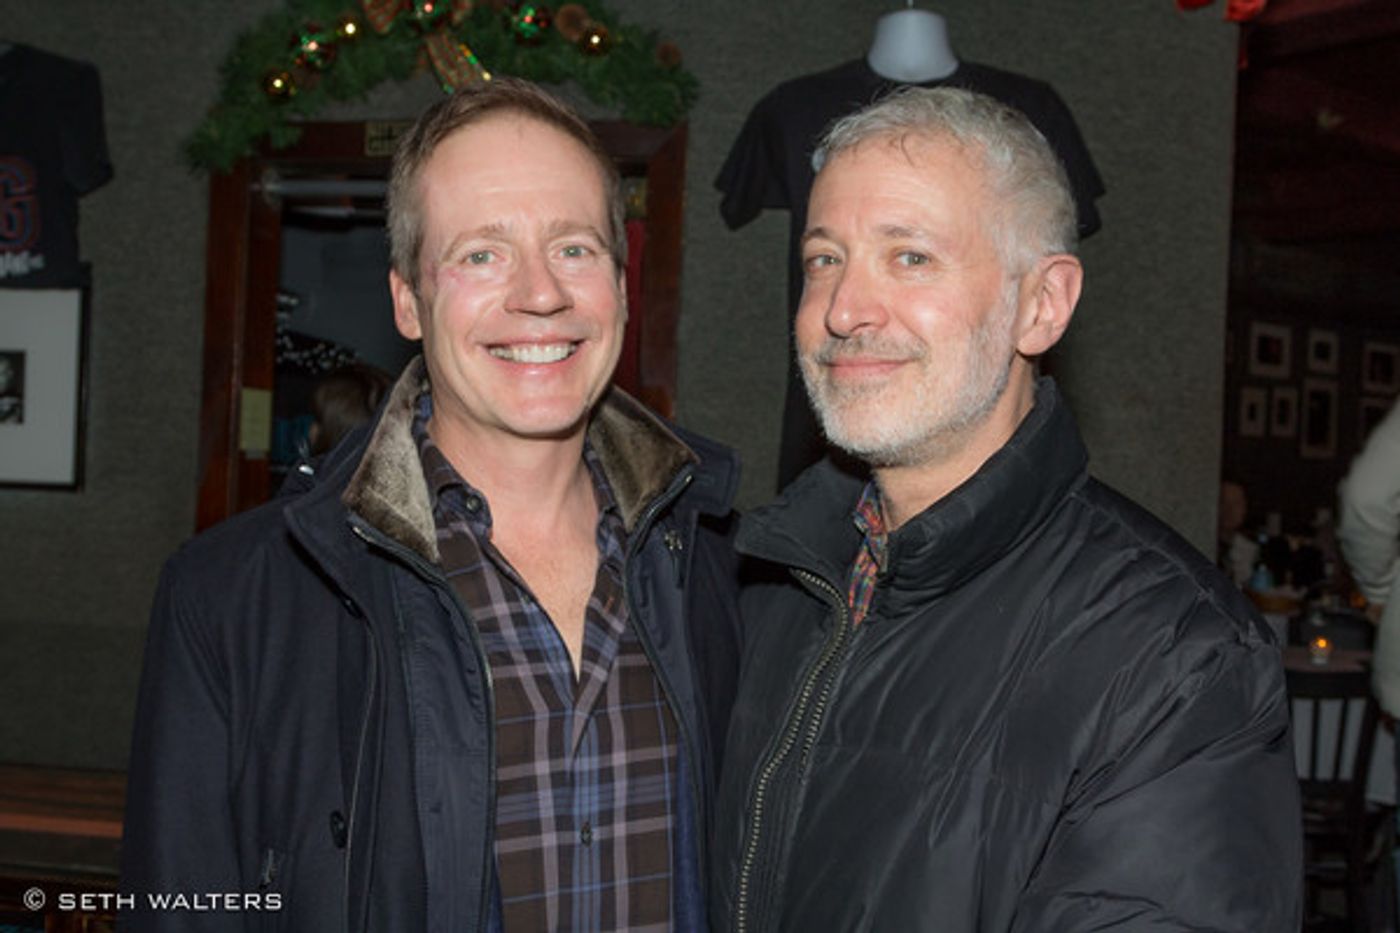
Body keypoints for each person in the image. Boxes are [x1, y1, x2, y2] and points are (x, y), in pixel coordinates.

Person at [121, 78, 742, 932]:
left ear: (623, 288)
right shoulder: (230, 599)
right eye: (482, 254)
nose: (539, 293)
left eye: (573, 248)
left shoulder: (727, 562)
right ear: (408, 301)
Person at [710, 87, 1300, 931]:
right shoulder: (766, 579)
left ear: (1041, 305)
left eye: (910, 256)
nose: (843, 310)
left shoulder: (1179, 657)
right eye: (823, 259)